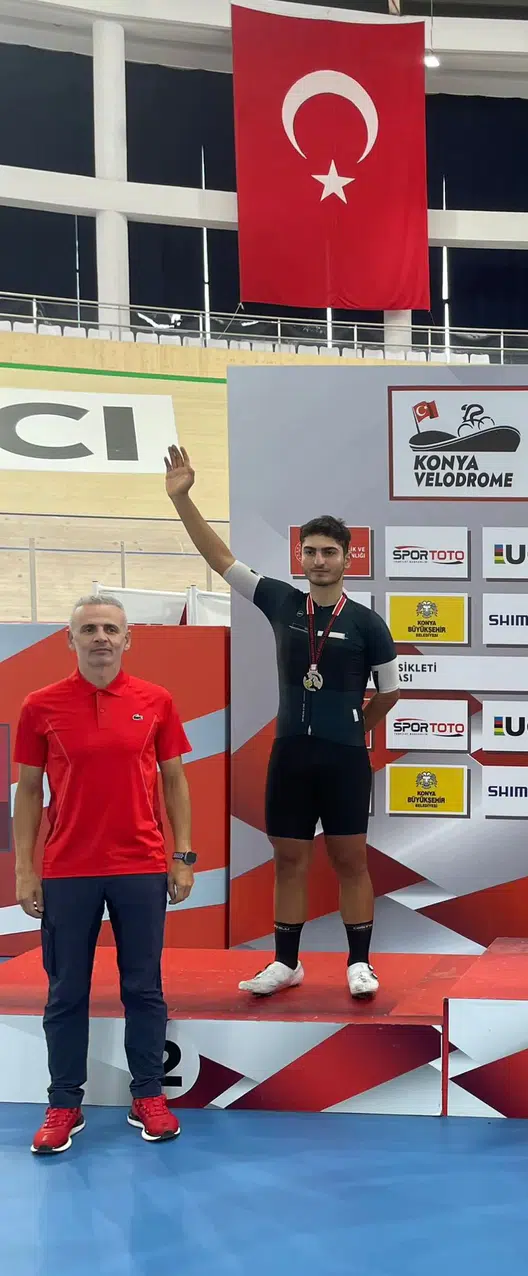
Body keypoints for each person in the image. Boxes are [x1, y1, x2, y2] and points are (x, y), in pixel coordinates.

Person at [165, 445, 401, 1000]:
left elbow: (390, 694)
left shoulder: (368, 624)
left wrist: (352, 730)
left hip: (344, 759)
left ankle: (360, 964)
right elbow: (220, 559)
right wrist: (182, 500)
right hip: (290, 755)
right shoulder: (281, 602)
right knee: (289, 860)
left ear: (347, 558)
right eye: (310, 552)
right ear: (301, 557)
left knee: (350, 860)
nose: (319, 561)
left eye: (329, 552)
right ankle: (286, 962)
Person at [14, 595, 194, 1153]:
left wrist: (182, 854)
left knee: (144, 987)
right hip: (68, 870)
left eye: (110, 629)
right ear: (69, 640)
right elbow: (27, 792)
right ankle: (64, 1103)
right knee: (66, 991)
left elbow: (175, 781)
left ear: (127, 639)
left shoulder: (156, 701)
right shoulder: (39, 706)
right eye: (89, 629)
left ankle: (149, 1096)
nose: (100, 638)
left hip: (141, 865)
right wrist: (25, 869)